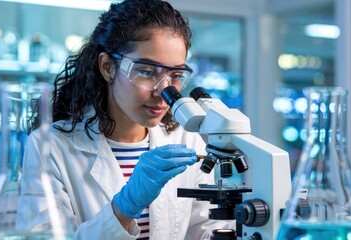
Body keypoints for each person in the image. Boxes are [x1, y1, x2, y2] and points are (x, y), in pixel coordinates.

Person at [21, 0, 232, 239]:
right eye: (146, 71)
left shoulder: (186, 140)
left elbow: (204, 231)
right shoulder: (50, 146)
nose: (163, 92)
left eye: (175, 75)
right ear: (107, 66)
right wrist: (127, 204)